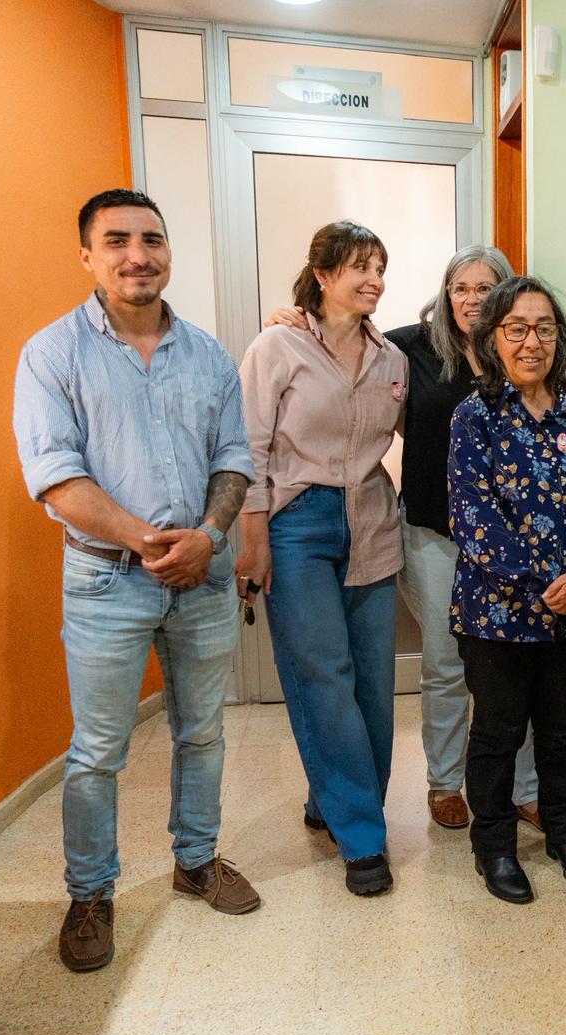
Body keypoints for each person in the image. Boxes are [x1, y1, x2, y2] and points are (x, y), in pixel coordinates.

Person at [13, 188, 260, 973]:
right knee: (97, 752)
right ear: (88, 255)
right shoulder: (52, 354)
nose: (137, 254)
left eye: (150, 238)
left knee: (204, 731)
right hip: (105, 584)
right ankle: (90, 894)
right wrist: (156, 544)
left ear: (168, 252)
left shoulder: (210, 355)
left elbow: (234, 460)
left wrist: (210, 537)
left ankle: (195, 862)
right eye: (116, 240)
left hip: (205, 577)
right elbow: (56, 478)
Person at [264, 247, 545, 834]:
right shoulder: (407, 347)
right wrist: (295, 317)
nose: (472, 299)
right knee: (445, 663)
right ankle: (445, 783)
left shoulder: (519, 347)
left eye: (485, 287)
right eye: (460, 287)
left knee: (516, 665)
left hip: (515, 540)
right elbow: (339, 343)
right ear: (446, 293)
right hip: (434, 530)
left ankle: (524, 786)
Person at [449, 276, 566, 904]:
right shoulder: (474, 416)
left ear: (560, 337)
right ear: (493, 337)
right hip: (495, 614)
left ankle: (565, 834)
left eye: (544, 328)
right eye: (517, 328)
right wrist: (544, 586)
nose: (532, 341)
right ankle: (494, 847)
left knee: (561, 732)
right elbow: (473, 518)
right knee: (497, 734)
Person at [237, 221, 404, 897]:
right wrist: (252, 539)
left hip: (372, 517)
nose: (374, 280)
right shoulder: (276, 345)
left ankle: (331, 801)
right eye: (360, 267)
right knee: (324, 676)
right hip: (296, 523)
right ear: (324, 274)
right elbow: (244, 445)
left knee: (372, 683)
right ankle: (364, 836)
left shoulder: (393, 358)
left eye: (380, 267)